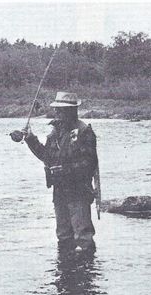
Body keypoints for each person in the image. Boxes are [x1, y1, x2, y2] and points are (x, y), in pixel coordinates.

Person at [17, 91, 98, 253]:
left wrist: (65, 170)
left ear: (72, 111)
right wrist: (30, 139)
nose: (57, 113)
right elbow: (47, 156)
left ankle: (87, 272)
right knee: (63, 236)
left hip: (79, 191)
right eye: (57, 110)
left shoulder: (84, 132)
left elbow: (89, 164)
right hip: (59, 190)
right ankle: (65, 272)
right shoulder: (54, 134)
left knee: (83, 236)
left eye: (61, 110)